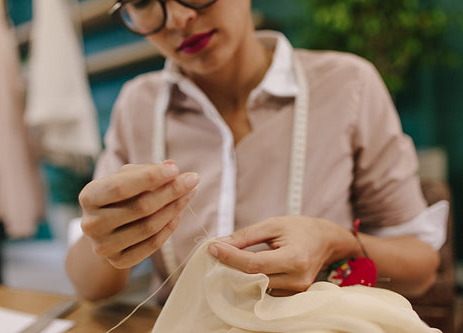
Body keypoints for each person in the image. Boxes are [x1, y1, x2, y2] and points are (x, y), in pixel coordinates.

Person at [65, 0, 448, 302]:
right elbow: (91, 288)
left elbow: (421, 269)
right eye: (144, 1)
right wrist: (105, 237)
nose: (178, 18)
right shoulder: (138, 105)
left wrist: (339, 242)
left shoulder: (349, 85)